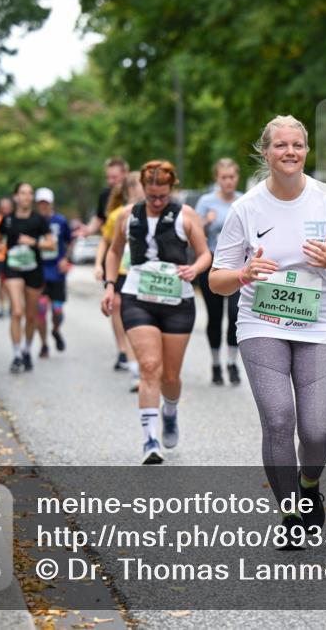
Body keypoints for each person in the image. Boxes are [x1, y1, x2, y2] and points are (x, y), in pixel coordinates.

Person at [209, 115, 326, 548]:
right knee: (279, 420)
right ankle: (292, 515)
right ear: (266, 152)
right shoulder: (247, 207)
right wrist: (244, 273)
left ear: (306, 150)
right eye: (281, 145)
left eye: (297, 145)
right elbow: (216, 278)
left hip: (318, 322)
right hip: (261, 321)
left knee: (316, 431)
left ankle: (310, 484)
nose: (290, 153)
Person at [100, 160, 211, 464]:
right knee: (149, 367)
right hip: (138, 298)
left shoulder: (185, 216)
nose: (158, 202)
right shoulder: (127, 216)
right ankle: (150, 440)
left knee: (171, 377)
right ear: (143, 190)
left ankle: (170, 412)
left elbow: (204, 254)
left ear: (171, 189)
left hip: (177, 302)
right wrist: (110, 285)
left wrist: (195, 269)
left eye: (163, 196)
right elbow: (113, 251)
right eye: (152, 196)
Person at [195, 158, 243, 386]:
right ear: (217, 179)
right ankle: (215, 364)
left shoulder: (244, 201)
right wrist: (206, 221)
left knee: (235, 314)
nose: (228, 181)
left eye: (232, 177)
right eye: (224, 177)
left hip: (238, 265)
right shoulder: (206, 201)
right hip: (213, 262)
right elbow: (192, 231)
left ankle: (232, 364)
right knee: (215, 316)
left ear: (237, 178)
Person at [0, 182, 55, 373]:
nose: (26, 197)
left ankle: (26, 350)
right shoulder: (7, 220)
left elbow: (51, 244)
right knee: (16, 312)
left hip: (33, 269)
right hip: (13, 268)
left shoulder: (39, 220)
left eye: (30, 194)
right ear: (16, 197)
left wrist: (34, 242)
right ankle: (16, 355)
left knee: (31, 316)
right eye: (23, 193)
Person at [97, 172, 146, 392]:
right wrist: (99, 265)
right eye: (135, 185)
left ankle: (138, 358)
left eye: (141, 185)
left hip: (143, 272)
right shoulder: (118, 214)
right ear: (127, 190)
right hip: (120, 271)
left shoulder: (154, 212)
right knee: (120, 309)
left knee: (140, 318)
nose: (139, 189)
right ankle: (126, 354)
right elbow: (107, 244)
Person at [88, 158, 133, 371]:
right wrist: (98, 264)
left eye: (114, 177)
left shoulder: (143, 194)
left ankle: (135, 348)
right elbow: (103, 231)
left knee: (132, 308)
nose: (111, 181)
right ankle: (123, 350)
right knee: (116, 304)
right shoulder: (108, 200)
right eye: (108, 177)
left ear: (126, 174)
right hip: (116, 260)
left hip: (138, 265)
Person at [34, 187, 73, 358]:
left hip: (57, 272)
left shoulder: (60, 221)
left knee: (57, 310)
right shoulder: (33, 221)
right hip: (38, 272)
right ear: (37, 204)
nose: (44, 206)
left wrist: (66, 259)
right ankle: (43, 345)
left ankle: (56, 330)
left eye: (46, 203)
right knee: (41, 309)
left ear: (51, 204)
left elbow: (70, 242)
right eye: (41, 203)